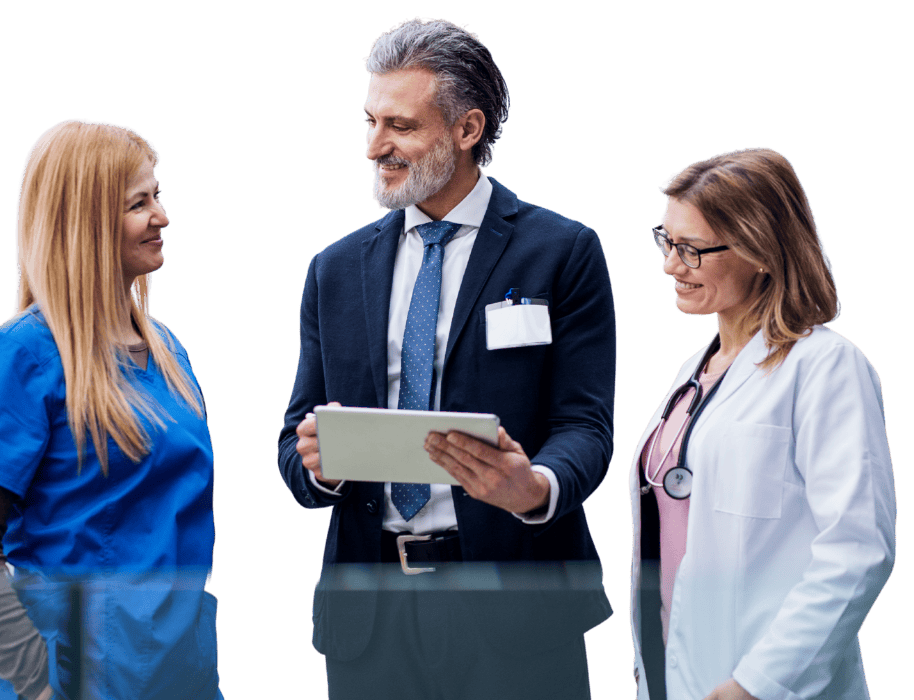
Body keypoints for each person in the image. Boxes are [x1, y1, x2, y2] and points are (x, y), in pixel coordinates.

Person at [276, 17, 616, 700]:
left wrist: (536, 488)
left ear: (467, 130)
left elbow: (586, 424)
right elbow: (294, 443)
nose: (375, 146)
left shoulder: (562, 252)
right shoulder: (335, 270)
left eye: (399, 126)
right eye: (369, 122)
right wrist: (321, 467)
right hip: (370, 618)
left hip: (517, 608)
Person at [0, 119, 222, 700]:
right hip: (72, 681)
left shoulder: (168, 350)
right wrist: (35, 685)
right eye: (138, 204)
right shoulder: (19, 354)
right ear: (86, 222)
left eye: (158, 195)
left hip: (171, 677)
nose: (161, 217)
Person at [628, 147, 896, 700]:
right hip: (673, 678)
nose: (670, 266)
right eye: (666, 241)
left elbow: (858, 547)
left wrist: (758, 682)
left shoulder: (826, 367)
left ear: (761, 252)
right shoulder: (693, 372)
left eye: (691, 250)